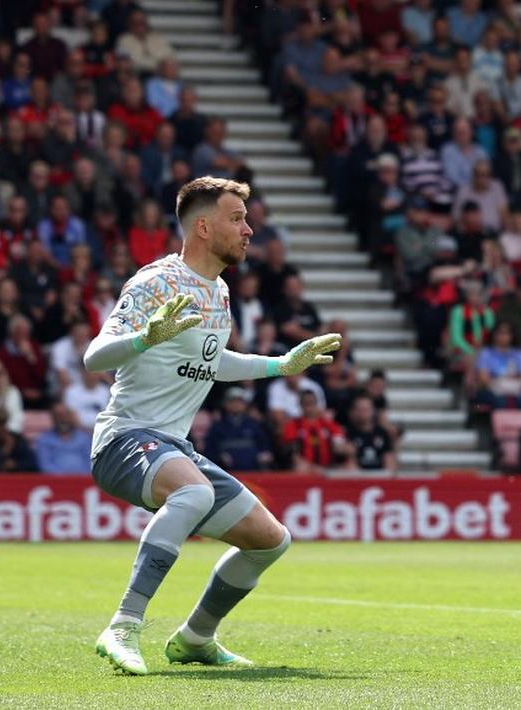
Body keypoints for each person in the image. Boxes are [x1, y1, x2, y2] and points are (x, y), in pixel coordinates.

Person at [82, 177, 342, 674]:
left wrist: (280, 366)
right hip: (124, 438)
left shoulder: (219, 291)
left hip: (173, 446)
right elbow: (95, 357)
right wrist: (144, 337)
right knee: (195, 494)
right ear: (203, 226)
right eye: (237, 218)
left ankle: (196, 639)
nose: (249, 230)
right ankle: (124, 626)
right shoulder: (156, 282)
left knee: (270, 540)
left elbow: (212, 360)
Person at [204, 387, 274, 471]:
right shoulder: (217, 426)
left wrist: (264, 454)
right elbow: (209, 450)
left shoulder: (254, 425)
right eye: (232, 401)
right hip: (226, 472)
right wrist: (219, 456)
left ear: (245, 405)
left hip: (253, 472)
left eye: (239, 401)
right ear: (225, 404)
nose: (236, 404)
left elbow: (265, 446)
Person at [34, 404, 95, 474]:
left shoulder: (84, 438)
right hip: (55, 481)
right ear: (53, 418)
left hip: (83, 480)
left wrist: (80, 477)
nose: (63, 419)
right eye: (59, 416)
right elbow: (45, 465)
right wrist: (63, 479)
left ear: (71, 417)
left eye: (66, 415)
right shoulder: (44, 440)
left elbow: (90, 462)